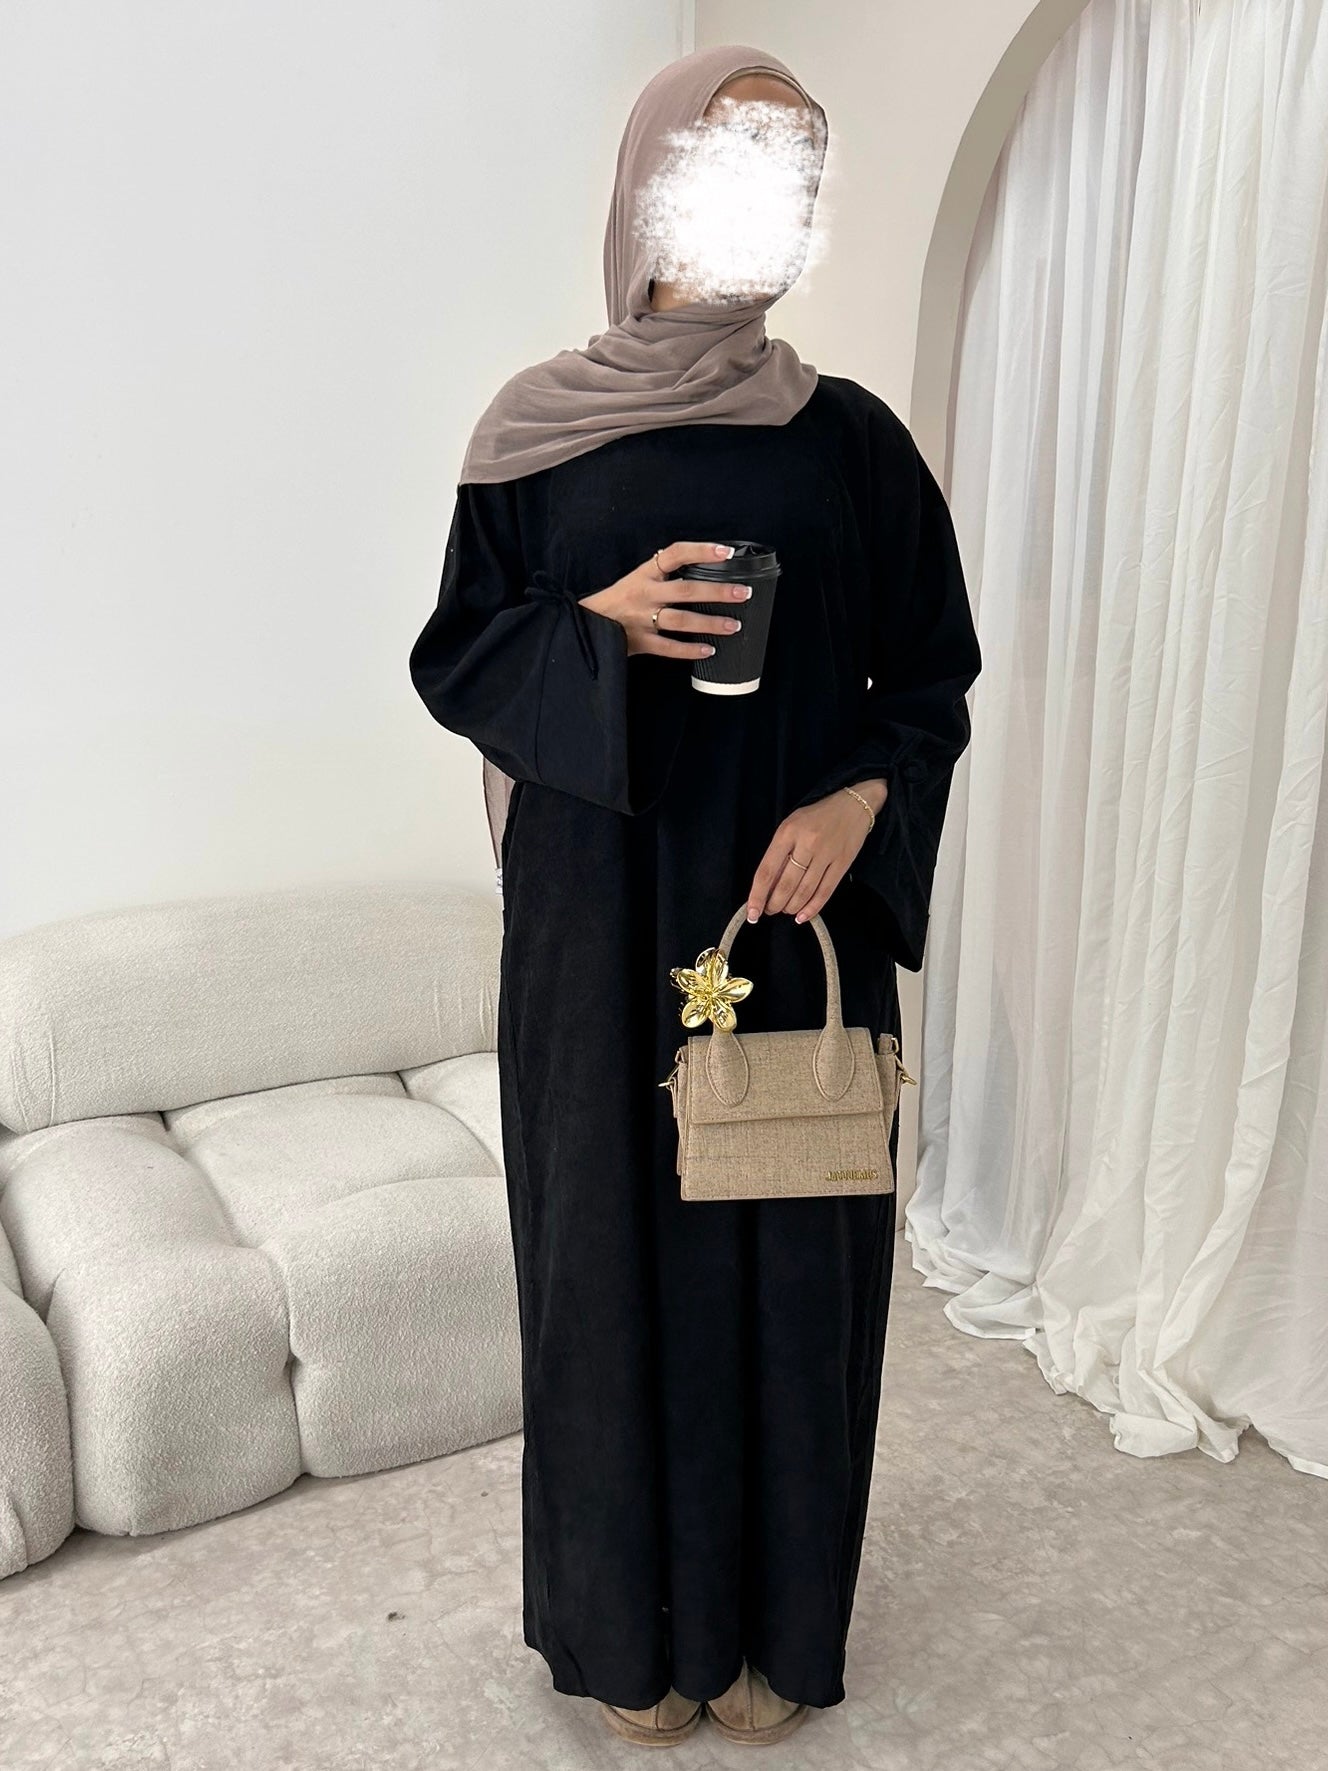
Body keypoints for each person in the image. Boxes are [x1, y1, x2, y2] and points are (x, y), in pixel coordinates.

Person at [409, 42, 982, 1750]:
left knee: (792, 1268)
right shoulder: (531, 432)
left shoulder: (850, 441)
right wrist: (595, 627)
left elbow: (928, 677)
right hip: (595, 934)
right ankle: (629, 1643)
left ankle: (770, 1638)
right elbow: (459, 658)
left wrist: (860, 794)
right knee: (608, 1274)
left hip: (791, 923)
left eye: (798, 174)